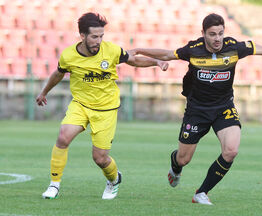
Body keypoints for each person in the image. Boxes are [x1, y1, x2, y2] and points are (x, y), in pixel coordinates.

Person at [130, 13, 262, 205]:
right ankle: (175, 165)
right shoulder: (193, 50)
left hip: (223, 107)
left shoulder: (235, 48)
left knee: (231, 151)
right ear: (203, 33)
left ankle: (201, 193)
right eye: (212, 34)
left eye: (220, 33)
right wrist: (139, 49)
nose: (217, 38)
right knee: (183, 159)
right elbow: (167, 54)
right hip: (197, 110)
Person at [36, 12, 169, 200]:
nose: (98, 41)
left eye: (101, 36)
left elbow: (134, 60)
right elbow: (58, 74)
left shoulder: (112, 50)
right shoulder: (69, 56)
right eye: (94, 37)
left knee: (100, 158)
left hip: (106, 110)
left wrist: (156, 62)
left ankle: (114, 180)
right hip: (80, 105)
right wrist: (44, 92)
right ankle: (54, 185)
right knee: (63, 138)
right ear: (82, 36)